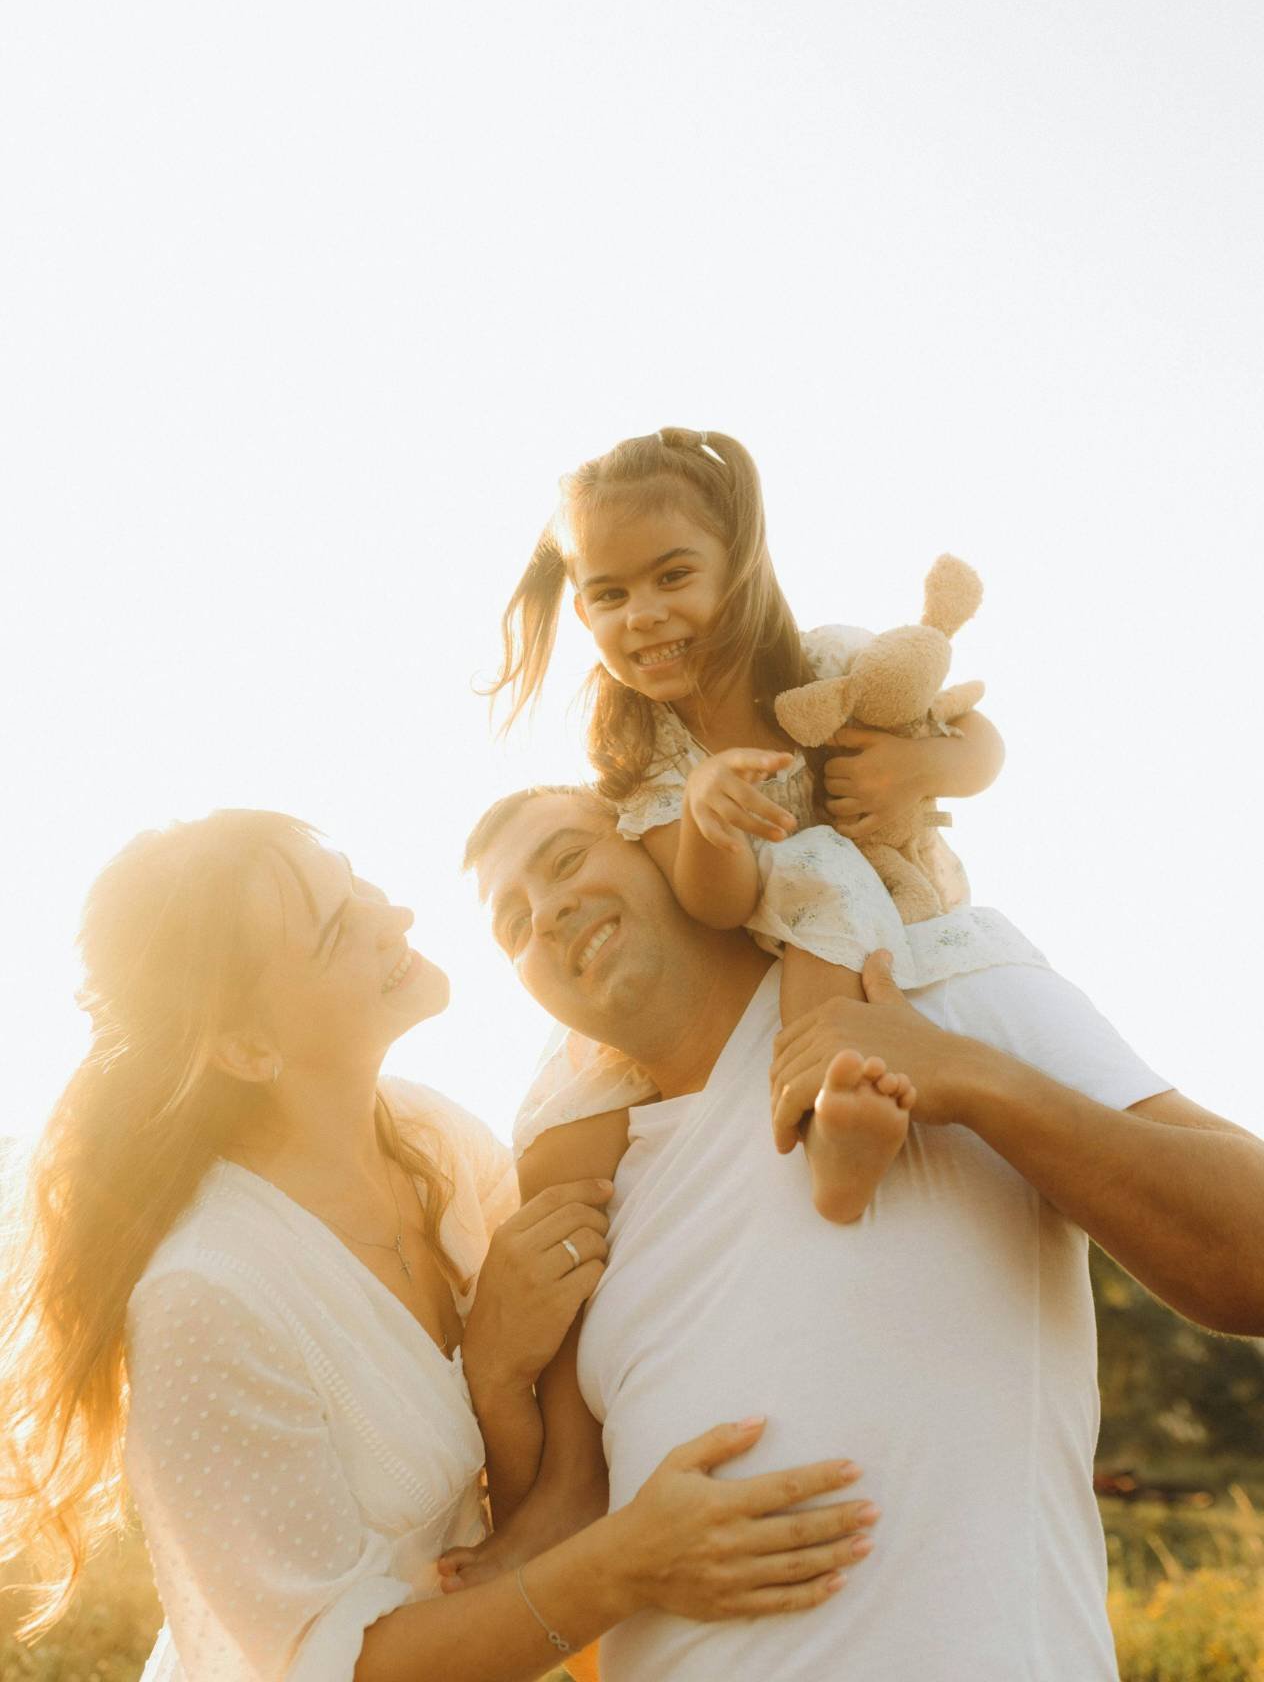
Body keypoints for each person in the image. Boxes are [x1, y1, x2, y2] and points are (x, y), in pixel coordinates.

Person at [0, 808, 878, 1682]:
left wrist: (495, 1383)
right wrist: (629, 1560)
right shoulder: (207, 1298)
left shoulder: (433, 1137)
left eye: (359, 887)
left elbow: (513, 1512)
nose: (395, 919)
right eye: (340, 926)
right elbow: (336, 1668)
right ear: (247, 1046)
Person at [460, 782, 1264, 1681]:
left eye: (566, 859)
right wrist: (495, 1381)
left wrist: (969, 1076)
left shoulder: (927, 975)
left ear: (659, 843)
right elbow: (560, 1586)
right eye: (511, 925)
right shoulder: (588, 1190)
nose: (548, 910)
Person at [490, 425, 1042, 1223]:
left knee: (834, 869)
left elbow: (976, 739)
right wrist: (709, 821)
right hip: (799, 941)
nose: (643, 614)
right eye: (611, 595)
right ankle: (828, 1132)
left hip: (918, 894)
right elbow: (717, 903)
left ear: (738, 566)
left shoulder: (827, 665)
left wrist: (919, 772)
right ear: (583, 612)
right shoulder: (647, 757)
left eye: (673, 576)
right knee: (816, 870)